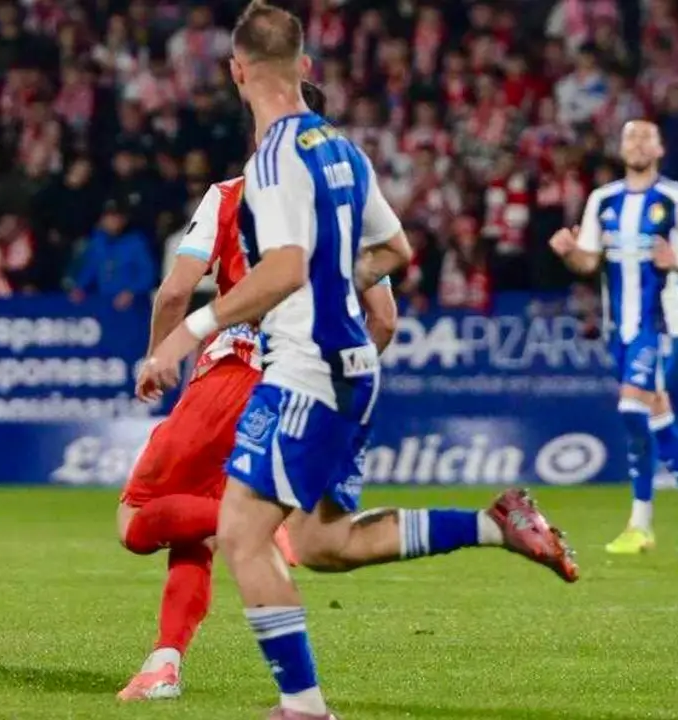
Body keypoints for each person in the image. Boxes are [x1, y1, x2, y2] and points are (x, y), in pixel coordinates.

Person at [138, 5, 578, 718]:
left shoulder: (275, 156)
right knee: (322, 542)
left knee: (245, 537)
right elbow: (397, 254)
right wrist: (336, 277)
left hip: (304, 368)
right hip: (355, 367)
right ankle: (498, 523)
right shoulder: (341, 150)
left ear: (236, 71)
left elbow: (280, 270)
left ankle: (304, 708)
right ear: (306, 67)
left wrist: (188, 332)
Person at [115, 81, 398, 702]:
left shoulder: (230, 196)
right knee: (194, 534)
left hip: (229, 377)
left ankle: (261, 528)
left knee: (135, 519)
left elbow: (173, 292)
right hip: (295, 387)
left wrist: (160, 356)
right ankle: (163, 662)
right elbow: (384, 320)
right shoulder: (340, 205)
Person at [549, 120, 678, 557]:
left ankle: (641, 524)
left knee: (632, 408)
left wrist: (677, 258)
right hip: (619, 327)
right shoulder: (602, 200)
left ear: (660, 147)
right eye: (630, 136)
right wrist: (571, 252)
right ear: (621, 146)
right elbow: (588, 263)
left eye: (646, 137)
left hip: (663, 323)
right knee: (656, 417)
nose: (637, 143)